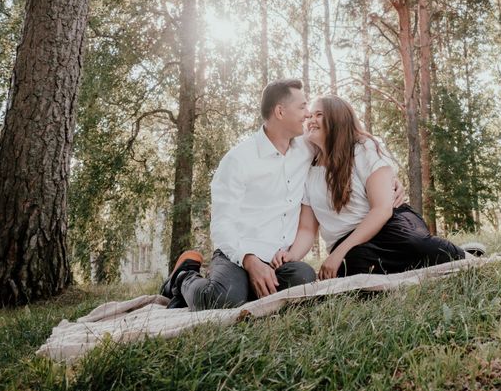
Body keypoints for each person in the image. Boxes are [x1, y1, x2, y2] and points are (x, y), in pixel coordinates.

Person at [160, 80, 405, 309]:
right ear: (280, 111)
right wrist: (249, 260)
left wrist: (389, 179)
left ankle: (248, 288)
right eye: (302, 107)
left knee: (304, 281)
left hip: (279, 260)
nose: (308, 114)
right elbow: (222, 225)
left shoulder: (308, 148)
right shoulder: (238, 160)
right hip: (239, 253)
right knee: (223, 299)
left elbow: (348, 140)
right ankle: (183, 276)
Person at [281, 95, 469, 279]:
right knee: (354, 264)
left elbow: (382, 210)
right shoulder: (309, 169)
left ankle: (466, 257)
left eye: (319, 115)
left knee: (413, 242)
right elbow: (307, 228)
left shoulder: (364, 149)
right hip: (350, 244)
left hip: (389, 224)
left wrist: (338, 253)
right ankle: (418, 268)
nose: (311, 120)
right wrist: (292, 255)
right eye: (310, 115)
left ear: (337, 119)